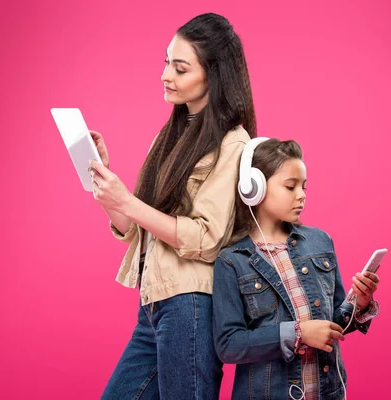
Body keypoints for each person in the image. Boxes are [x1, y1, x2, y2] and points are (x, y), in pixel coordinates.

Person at [88, 13, 256, 399]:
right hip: (153, 307)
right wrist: (105, 182)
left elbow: (207, 236)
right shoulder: (168, 137)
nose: (166, 75)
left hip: (190, 305)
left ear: (213, 75)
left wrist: (127, 201)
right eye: (166, 62)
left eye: (180, 68)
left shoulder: (233, 143)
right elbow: (134, 227)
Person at [212, 138, 380, 400]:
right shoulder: (232, 261)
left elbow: (334, 324)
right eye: (290, 186)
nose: (301, 194)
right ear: (252, 188)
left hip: (327, 392)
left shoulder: (319, 242)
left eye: (303, 186)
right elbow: (229, 345)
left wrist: (359, 303)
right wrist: (298, 334)